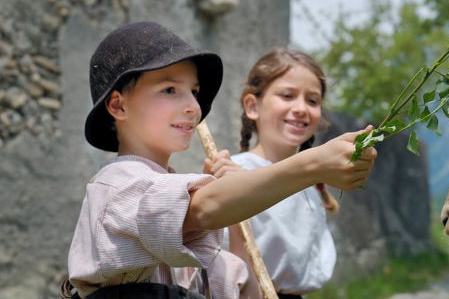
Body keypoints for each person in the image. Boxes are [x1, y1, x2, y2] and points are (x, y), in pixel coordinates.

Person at [63, 22, 377, 299]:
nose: (193, 106)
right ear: (118, 106)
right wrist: (312, 165)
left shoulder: (185, 213)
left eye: (194, 92)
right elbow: (203, 208)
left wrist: (239, 226)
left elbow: (244, 290)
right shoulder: (116, 185)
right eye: (170, 89)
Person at [209, 49, 339, 299]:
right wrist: (235, 193)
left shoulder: (310, 183)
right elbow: (229, 266)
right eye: (287, 95)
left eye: (312, 100)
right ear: (252, 105)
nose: (301, 108)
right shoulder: (235, 173)